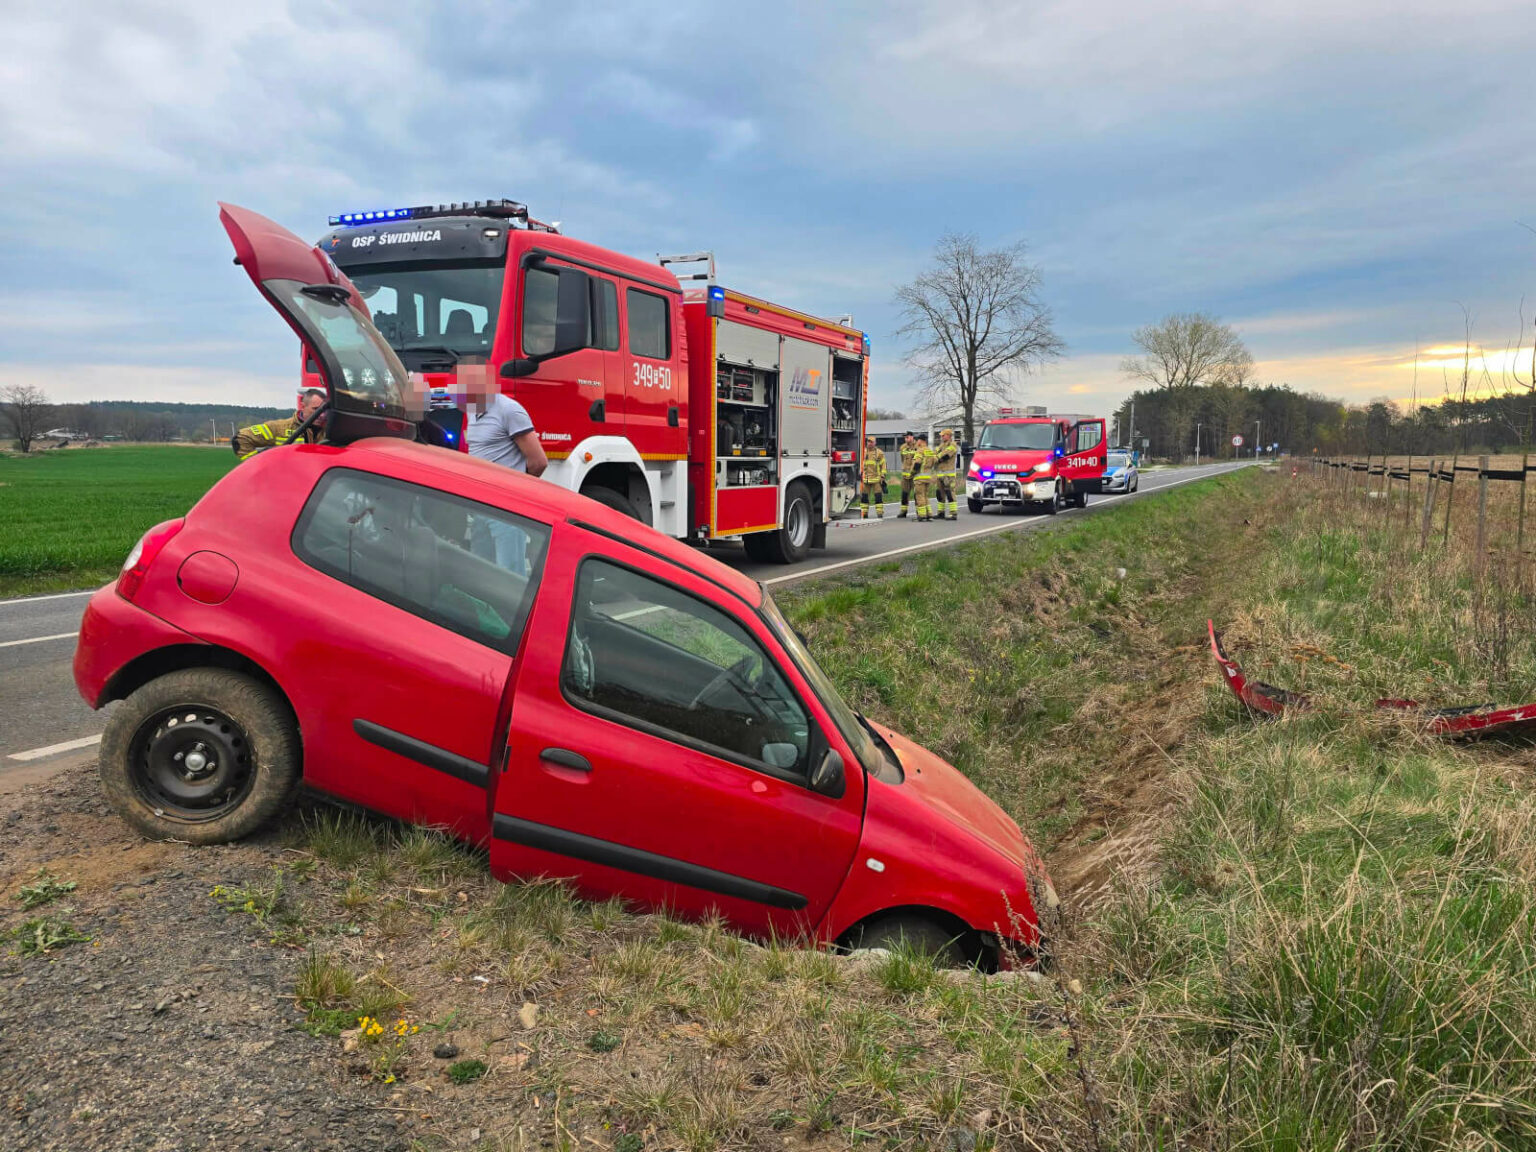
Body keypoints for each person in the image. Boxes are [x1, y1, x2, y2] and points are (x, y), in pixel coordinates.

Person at [465, 379, 547, 574]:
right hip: (479, 507)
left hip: (505, 509)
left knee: (509, 574)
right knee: (481, 572)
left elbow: (539, 461)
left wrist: (514, 490)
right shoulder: (472, 412)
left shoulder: (509, 410)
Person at [232, 389, 325, 461]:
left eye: (325, 410)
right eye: (316, 409)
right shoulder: (280, 428)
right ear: (303, 407)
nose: (322, 415)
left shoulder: (330, 430)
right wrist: (258, 465)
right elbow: (241, 438)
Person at [858, 435, 887, 519]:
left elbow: (883, 465)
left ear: (875, 443)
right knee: (864, 498)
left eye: (871, 442)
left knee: (878, 497)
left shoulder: (879, 453)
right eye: (868, 441)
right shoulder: (863, 452)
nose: (869, 443)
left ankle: (879, 513)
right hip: (865, 479)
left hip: (876, 479)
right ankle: (864, 513)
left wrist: (883, 475)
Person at [933, 429, 960, 520]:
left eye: (943, 435)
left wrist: (936, 458)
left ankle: (953, 513)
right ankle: (941, 512)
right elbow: (935, 452)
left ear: (948, 435)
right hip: (940, 475)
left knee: (950, 493)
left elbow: (945, 456)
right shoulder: (942, 445)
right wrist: (934, 456)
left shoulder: (953, 445)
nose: (942, 437)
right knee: (940, 494)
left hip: (949, 476)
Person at [912, 435, 936, 522]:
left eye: (917, 440)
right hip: (927, 477)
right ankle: (929, 515)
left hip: (920, 478)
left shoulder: (920, 450)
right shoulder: (930, 451)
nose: (916, 442)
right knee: (926, 496)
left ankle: (922, 516)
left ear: (920, 441)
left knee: (920, 496)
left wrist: (912, 473)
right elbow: (934, 462)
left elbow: (917, 464)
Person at [897, 432, 920, 518]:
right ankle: (903, 511)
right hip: (905, 476)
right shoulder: (903, 447)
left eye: (907, 437)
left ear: (912, 437)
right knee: (904, 494)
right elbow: (902, 460)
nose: (906, 439)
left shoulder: (918, 447)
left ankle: (919, 511)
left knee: (916, 494)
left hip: (915, 475)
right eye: (905, 438)